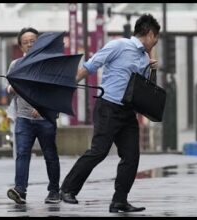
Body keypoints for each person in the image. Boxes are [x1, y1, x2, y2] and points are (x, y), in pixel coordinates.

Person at [59, 14, 161, 213]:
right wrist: (68, 87)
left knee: (131, 156)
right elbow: (91, 65)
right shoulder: (119, 45)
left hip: (128, 112)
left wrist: (152, 70)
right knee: (99, 151)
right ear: (149, 34)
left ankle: (119, 201)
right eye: (156, 36)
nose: (156, 41)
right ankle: (68, 189)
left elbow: (145, 89)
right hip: (109, 107)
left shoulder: (145, 57)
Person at [6, 27, 61, 204]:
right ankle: (20, 190)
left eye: (33, 40)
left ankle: (54, 191)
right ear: (21, 46)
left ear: (39, 42)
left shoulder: (50, 63)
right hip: (23, 118)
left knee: (50, 155)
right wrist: (13, 87)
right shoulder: (16, 65)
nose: (30, 44)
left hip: (45, 118)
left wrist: (44, 107)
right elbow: (9, 88)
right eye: (26, 42)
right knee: (22, 154)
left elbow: (57, 90)